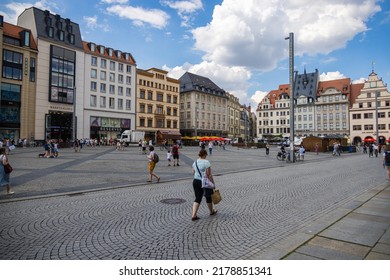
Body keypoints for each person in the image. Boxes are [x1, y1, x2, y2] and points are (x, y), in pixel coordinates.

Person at [191, 149, 217, 221]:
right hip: (205, 182)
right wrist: (213, 183)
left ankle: (194, 215)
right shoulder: (206, 162)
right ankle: (211, 211)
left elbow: (193, 172)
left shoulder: (195, 162)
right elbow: (209, 175)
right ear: (204, 154)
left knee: (198, 198)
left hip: (196, 181)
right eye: (206, 154)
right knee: (208, 197)